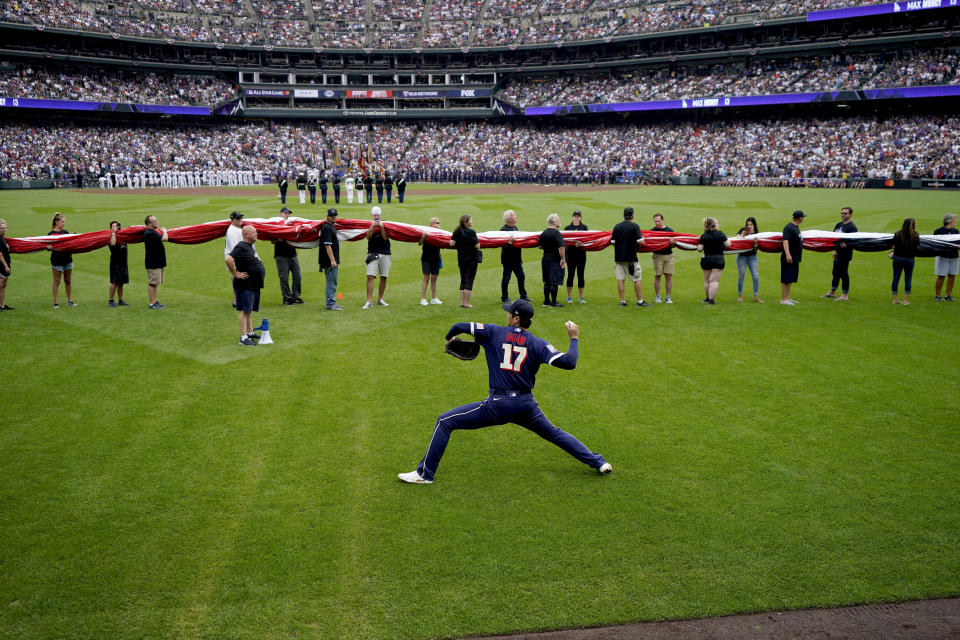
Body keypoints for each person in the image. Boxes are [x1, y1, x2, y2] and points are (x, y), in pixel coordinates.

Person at [397, 299, 612, 484]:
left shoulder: (493, 332)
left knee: (445, 422)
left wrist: (449, 339)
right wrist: (573, 338)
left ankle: (424, 475)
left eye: (510, 313)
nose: (507, 315)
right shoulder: (537, 343)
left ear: (516, 319)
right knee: (554, 433)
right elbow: (569, 362)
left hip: (498, 405)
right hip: (526, 405)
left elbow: (458, 325)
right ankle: (599, 462)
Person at [226, 225, 266, 345]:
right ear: (246, 235)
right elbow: (228, 259)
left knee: (249, 310)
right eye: (254, 232)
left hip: (253, 284)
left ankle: (250, 332)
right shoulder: (241, 246)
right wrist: (236, 273)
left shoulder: (249, 246)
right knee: (243, 310)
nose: (256, 234)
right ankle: (243, 338)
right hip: (245, 284)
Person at [610, 206, 649, 307]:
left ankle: (622, 301)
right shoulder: (634, 226)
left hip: (619, 259)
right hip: (631, 258)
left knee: (620, 279)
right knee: (637, 279)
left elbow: (613, 242)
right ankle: (640, 301)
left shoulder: (617, 226)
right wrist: (644, 240)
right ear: (632, 215)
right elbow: (640, 241)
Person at [822, 206, 858, 301]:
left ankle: (844, 295)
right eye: (842, 213)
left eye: (845, 213)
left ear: (850, 214)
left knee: (843, 273)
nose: (843, 215)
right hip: (837, 254)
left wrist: (847, 244)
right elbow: (834, 238)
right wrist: (835, 250)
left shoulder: (852, 227)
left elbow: (855, 241)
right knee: (835, 273)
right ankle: (832, 292)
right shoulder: (838, 225)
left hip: (845, 255)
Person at [697, 217, 730, 305]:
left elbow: (699, 249)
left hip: (707, 259)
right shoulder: (720, 234)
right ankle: (711, 301)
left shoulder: (704, 235)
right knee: (714, 281)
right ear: (714, 225)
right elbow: (728, 244)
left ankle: (707, 298)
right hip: (718, 259)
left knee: (707, 281)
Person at [274, 206, 303, 305]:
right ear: (281, 213)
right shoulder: (276, 225)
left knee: (298, 276)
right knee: (284, 278)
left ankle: (295, 296)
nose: (287, 215)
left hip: (292, 254)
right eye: (285, 213)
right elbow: (272, 240)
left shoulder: (292, 225)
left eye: (288, 213)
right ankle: (287, 298)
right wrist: (281, 239)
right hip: (281, 255)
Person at [363, 206, 391, 308]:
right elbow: (368, 237)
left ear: (380, 214)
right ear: (371, 215)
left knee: (384, 276)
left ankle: (380, 299)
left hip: (385, 252)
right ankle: (369, 301)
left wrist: (382, 227)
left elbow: (385, 238)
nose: (376, 216)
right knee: (370, 276)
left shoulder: (386, 224)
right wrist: (372, 227)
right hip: (372, 252)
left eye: (377, 214)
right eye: (374, 215)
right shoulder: (368, 224)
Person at [450, 214, 480, 308]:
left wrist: (460, 245)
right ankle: (467, 303)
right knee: (469, 280)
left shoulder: (457, 231)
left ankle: (462, 302)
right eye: (471, 220)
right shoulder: (471, 232)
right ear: (466, 222)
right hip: (471, 259)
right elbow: (477, 245)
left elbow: (451, 244)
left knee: (463, 279)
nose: (472, 221)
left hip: (461, 258)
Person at [47, 212, 76, 308]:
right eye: (62, 222)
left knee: (68, 281)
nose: (64, 224)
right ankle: (56, 303)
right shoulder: (51, 234)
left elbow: (70, 244)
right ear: (56, 222)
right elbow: (47, 247)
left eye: (64, 222)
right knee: (56, 282)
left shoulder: (66, 232)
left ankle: (70, 301)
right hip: (56, 260)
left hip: (67, 259)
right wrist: (49, 247)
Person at [500, 209, 529, 302]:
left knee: (521, 276)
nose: (516, 217)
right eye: (514, 216)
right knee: (506, 278)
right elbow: (503, 246)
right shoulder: (503, 230)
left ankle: (523, 295)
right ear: (509, 219)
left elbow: (518, 244)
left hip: (516, 259)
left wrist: (520, 256)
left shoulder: (515, 228)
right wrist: (510, 242)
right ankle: (504, 297)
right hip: (508, 259)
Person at [539, 213, 566, 307]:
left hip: (545, 258)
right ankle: (554, 302)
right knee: (554, 282)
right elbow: (561, 247)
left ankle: (546, 301)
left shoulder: (544, 232)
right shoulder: (556, 233)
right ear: (554, 222)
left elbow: (540, 245)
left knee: (546, 281)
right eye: (558, 219)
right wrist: (563, 259)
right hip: (554, 260)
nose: (560, 221)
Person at [890, 217, 920, 305]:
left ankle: (895, 299)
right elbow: (918, 247)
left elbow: (893, 246)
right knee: (908, 279)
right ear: (913, 225)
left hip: (898, 258)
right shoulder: (915, 234)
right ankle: (906, 300)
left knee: (896, 278)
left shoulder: (898, 233)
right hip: (910, 259)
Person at [780, 210, 805, 305]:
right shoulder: (788, 227)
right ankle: (783, 299)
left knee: (790, 278)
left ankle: (787, 297)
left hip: (795, 257)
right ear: (799, 218)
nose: (803, 218)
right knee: (786, 277)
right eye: (802, 217)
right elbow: (785, 241)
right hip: (789, 257)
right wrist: (788, 254)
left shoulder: (796, 227)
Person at [143, 215, 168, 309]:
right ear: (148, 223)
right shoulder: (150, 233)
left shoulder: (152, 232)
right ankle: (152, 303)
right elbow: (164, 238)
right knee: (152, 283)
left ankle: (154, 302)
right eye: (154, 221)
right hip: (153, 262)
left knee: (155, 283)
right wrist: (164, 231)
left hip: (157, 261)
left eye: (156, 220)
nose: (156, 222)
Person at [319, 208, 342, 310]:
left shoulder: (331, 226)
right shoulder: (328, 228)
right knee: (331, 282)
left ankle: (332, 302)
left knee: (332, 282)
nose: (334, 217)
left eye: (335, 215)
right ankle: (330, 304)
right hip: (329, 261)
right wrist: (333, 260)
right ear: (328, 216)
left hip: (331, 260)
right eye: (332, 216)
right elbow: (327, 245)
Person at [735, 216, 762, 303]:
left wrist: (755, 244)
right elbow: (736, 239)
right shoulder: (742, 230)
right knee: (741, 276)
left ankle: (756, 297)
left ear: (754, 225)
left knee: (756, 276)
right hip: (742, 256)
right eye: (748, 224)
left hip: (752, 257)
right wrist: (743, 235)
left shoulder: (757, 234)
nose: (749, 226)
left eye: (751, 224)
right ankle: (740, 296)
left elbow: (756, 250)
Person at [649, 213, 675, 304]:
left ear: (663, 220)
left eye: (659, 221)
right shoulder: (652, 231)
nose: (657, 223)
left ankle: (668, 297)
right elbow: (649, 244)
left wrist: (672, 243)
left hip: (669, 256)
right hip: (657, 256)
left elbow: (674, 245)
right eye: (655, 221)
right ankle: (658, 296)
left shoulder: (669, 230)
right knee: (657, 276)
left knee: (669, 276)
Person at [564, 210, 588, 304]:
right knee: (570, 275)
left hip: (581, 255)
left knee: (580, 275)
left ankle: (581, 297)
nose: (576, 217)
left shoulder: (584, 228)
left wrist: (580, 244)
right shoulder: (567, 228)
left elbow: (586, 240)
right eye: (575, 216)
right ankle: (569, 297)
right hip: (571, 255)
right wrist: (574, 245)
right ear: (572, 217)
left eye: (578, 216)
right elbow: (565, 242)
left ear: (580, 217)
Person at [419, 217, 443, 306]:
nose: (438, 224)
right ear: (431, 224)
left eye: (439, 223)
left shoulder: (440, 233)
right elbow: (420, 243)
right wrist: (423, 237)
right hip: (426, 258)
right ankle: (423, 299)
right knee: (426, 278)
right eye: (436, 223)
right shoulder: (426, 232)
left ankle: (434, 298)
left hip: (436, 258)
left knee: (434, 279)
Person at [934, 213, 958, 301]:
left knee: (952, 276)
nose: (956, 221)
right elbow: (935, 244)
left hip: (954, 257)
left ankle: (948, 295)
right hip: (942, 257)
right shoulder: (938, 231)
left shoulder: (956, 232)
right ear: (949, 221)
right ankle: (937, 295)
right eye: (955, 220)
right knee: (941, 276)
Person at [107, 220, 129, 307]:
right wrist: (113, 233)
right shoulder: (110, 237)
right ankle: (111, 300)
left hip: (123, 263)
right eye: (114, 226)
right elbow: (112, 244)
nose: (117, 228)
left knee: (121, 283)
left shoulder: (122, 236)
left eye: (117, 226)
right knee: (114, 282)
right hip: (115, 263)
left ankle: (120, 300)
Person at [0, 219, 11, 311]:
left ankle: (3, 305)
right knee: (1, 285)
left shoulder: (3, 238)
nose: (4, 229)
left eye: (5, 228)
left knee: (3, 285)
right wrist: (6, 266)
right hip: (1, 266)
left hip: (5, 264)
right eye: (2, 228)